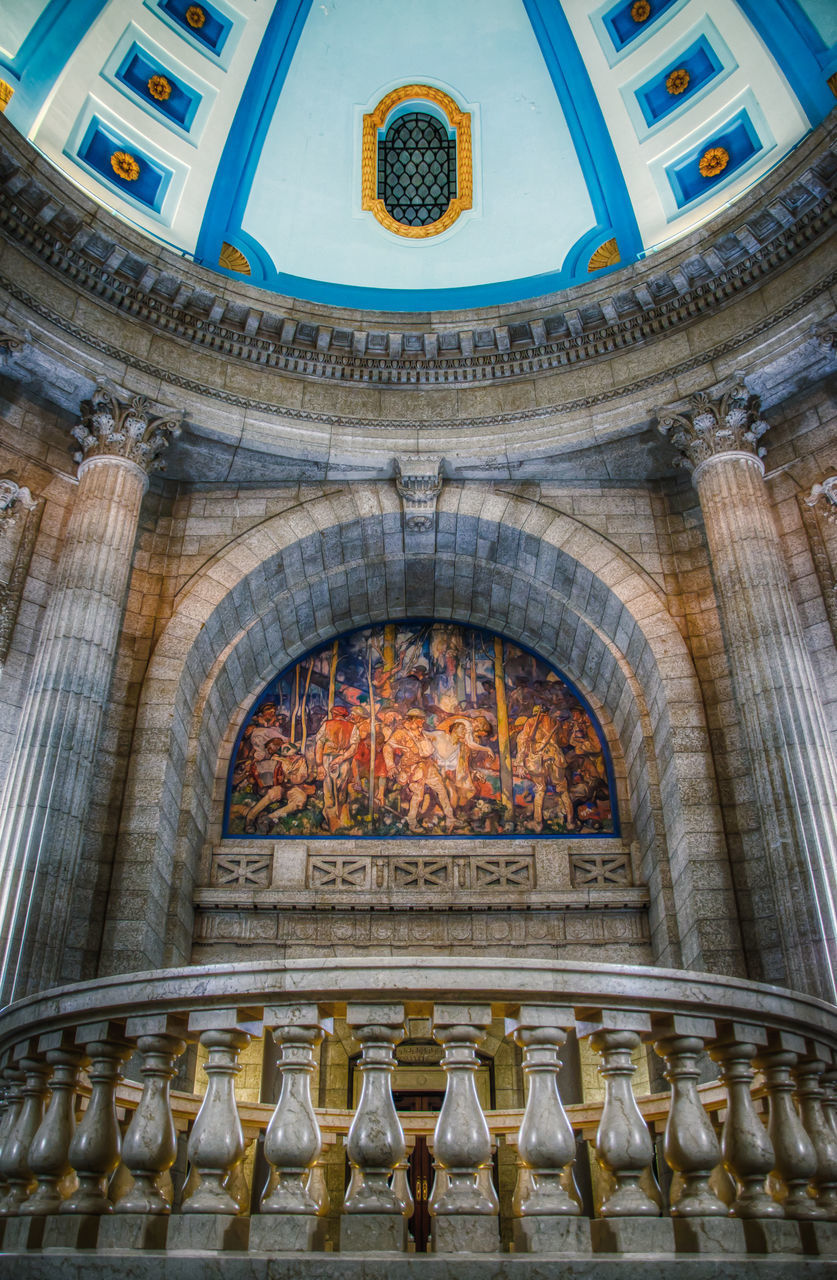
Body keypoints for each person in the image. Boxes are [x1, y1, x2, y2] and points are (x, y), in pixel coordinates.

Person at [383, 708, 456, 833]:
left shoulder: (421, 731)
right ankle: (412, 823)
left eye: (423, 720)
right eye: (419, 720)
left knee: (441, 790)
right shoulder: (401, 733)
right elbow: (388, 747)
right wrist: (390, 765)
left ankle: (450, 818)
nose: (422, 722)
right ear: (411, 719)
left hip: (427, 766)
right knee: (418, 796)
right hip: (412, 768)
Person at [515, 705, 576, 833]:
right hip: (555, 757)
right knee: (563, 790)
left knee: (540, 789)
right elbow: (563, 742)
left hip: (538, 760)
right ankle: (570, 822)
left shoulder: (530, 722)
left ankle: (538, 823)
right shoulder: (554, 722)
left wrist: (520, 764)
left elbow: (523, 742)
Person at [314, 705, 354, 831]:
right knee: (342, 791)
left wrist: (319, 765)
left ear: (334, 714)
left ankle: (333, 825)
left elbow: (319, 745)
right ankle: (343, 821)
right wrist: (341, 759)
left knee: (329, 793)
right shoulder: (352, 727)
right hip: (343, 761)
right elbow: (353, 748)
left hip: (327, 759)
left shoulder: (326, 725)